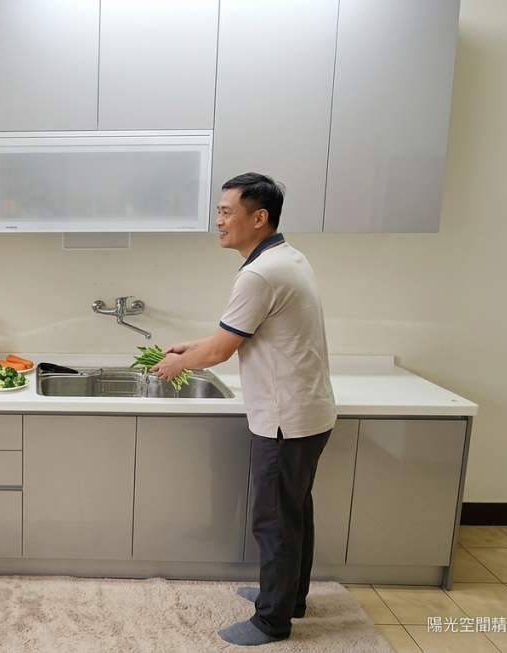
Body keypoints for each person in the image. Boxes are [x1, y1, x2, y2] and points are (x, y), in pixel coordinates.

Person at [151, 173, 336, 646]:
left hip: (284, 420)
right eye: (218, 211)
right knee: (293, 515)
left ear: (259, 217)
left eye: (226, 211)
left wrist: (178, 364)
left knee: (275, 521)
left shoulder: (259, 274)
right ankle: (288, 599)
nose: (218, 221)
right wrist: (190, 346)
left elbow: (220, 351)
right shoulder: (285, 258)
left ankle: (272, 621)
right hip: (306, 413)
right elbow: (234, 333)